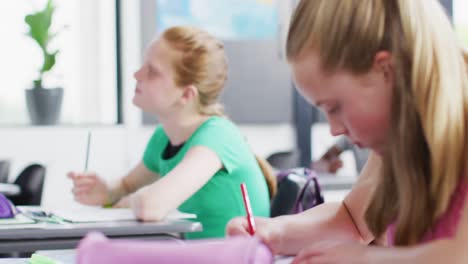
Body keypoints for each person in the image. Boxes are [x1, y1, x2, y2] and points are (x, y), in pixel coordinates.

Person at [227, 0, 468, 262]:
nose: (334, 129)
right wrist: (276, 233)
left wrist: (363, 259)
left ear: (386, 70)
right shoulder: (396, 137)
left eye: (334, 107)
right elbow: (352, 221)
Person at [68, 26, 272, 239]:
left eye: (152, 71)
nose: (137, 74)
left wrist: (128, 201)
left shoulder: (218, 136)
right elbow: (126, 185)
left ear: (186, 94)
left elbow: (150, 206)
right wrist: (107, 191)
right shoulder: (163, 137)